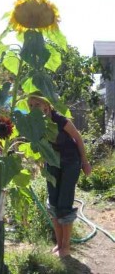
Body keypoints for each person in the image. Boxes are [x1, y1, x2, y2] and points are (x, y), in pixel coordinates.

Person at [27, 93, 91, 258]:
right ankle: (59, 243)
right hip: (52, 163)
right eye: (31, 105)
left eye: (37, 104)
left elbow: (77, 137)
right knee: (53, 202)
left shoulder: (59, 119)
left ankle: (66, 246)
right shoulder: (36, 124)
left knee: (65, 203)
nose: (33, 108)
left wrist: (85, 162)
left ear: (46, 106)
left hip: (70, 163)